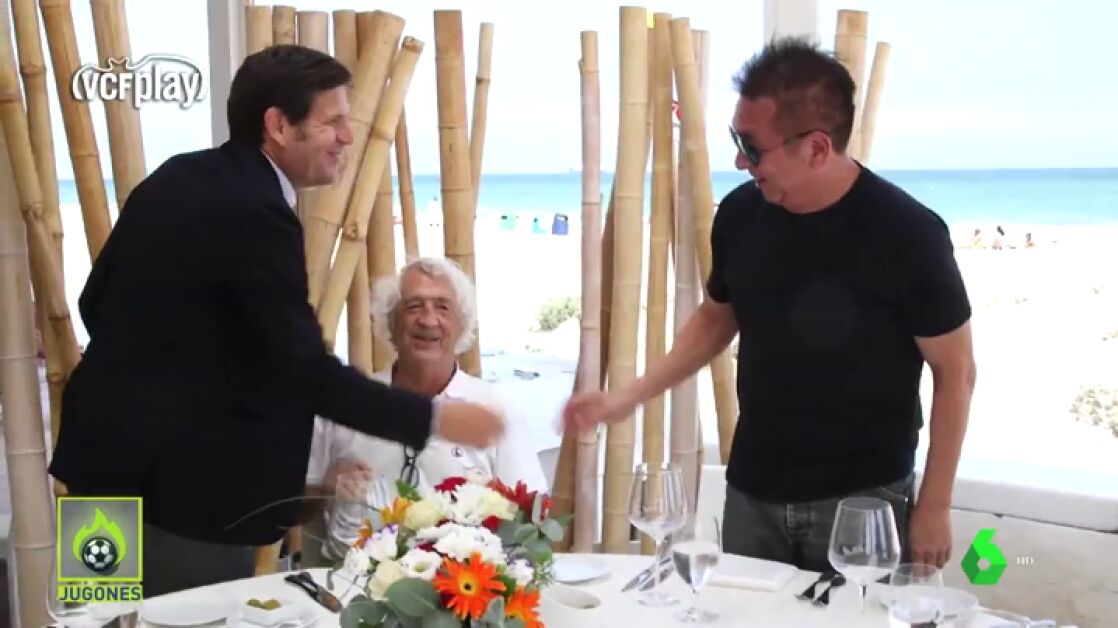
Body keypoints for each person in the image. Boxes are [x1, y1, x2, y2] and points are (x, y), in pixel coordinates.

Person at [48, 45, 506, 597]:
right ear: (279, 126)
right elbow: (304, 371)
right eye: (333, 122)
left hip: (100, 467)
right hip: (184, 499)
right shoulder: (256, 211)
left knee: (99, 616)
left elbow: (94, 302)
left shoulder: (180, 175)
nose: (347, 137)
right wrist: (433, 418)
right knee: (188, 618)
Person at [563, 37, 976, 573]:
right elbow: (717, 317)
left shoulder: (909, 234)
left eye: (753, 147)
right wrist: (628, 397)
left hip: (863, 501)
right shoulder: (740, 215)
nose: (739, 160)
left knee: (855, 615)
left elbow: (956, 372)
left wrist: (936, 505)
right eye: (737, 140)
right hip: (752, 491)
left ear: (817, 148)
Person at [301, 259, 547, 562]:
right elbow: (294, 509)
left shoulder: (495, 410)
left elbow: (532, 523)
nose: (428, 320)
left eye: (443, 307)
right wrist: (326, 488)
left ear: (462, 325)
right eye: (413, 306)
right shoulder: (345, 405)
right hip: (349, 582)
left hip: (466, 584)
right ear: (390, 322)